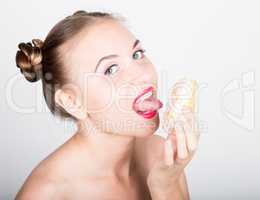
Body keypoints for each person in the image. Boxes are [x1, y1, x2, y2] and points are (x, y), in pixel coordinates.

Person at [15, 10, 199, 200]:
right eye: (110, 69)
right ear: (72, 102)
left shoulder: (161, 155)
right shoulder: (46, 193)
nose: (144, 76)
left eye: (137, 54)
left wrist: (165, 185)